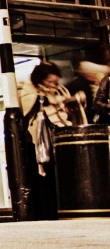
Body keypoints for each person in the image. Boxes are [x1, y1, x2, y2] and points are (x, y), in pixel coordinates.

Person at [20, 60, 82, 221]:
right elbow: (26, 110)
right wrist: (42, 100)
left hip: (63, 139)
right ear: (40, 80)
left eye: (55, 81)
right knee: (44, 182)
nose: (53, 85)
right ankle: (47, 213)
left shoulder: (61, 91)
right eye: (50, 82)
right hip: (42, 143)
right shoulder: (29, 91)